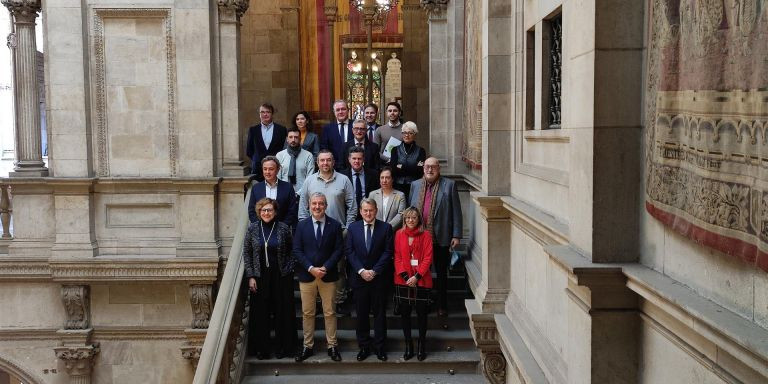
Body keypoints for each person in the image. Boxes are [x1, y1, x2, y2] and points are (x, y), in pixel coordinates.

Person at [297, 150, 357, 313]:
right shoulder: (309, 181)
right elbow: (302, 207)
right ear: (317, 163)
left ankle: (339, 300)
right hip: (314, 233)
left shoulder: (344, 180)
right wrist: (305, 229)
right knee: (315, 266)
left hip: (338, 233)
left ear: (333, 162)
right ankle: (317, 301)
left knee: (339, 267)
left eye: (328, 160)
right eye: (322, 160)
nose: (325, 163)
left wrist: (347, 228)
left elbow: (352, 206)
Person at [293, 192, 344, 362]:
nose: (317, 207)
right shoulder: (301, 225)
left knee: (329, 312)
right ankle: (308, 346)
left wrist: (325, 267)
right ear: (309, 205)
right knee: (308, 313)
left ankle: (332, 346)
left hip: (328, 276)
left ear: (326, 206)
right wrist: (310, 268)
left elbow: (338, 250)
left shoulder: (335, 225)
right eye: (314, 203)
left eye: (320, 203)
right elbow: (297, 250)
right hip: (307, 276)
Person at [243, 198, 297, 360]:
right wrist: (251, 275)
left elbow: (293, 251)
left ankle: (284, 348)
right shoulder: (252, 229)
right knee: (261, 314)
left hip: (280, 276)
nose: (266, 213)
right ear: (259, 212)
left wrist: (288, 269)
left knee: (283, 312)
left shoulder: (283, 228)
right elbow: (247, 253)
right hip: (259, 277)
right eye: (263, 210)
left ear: (275, 212)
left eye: (270, 210)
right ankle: (262, 349)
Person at [408, 157, 462, 317]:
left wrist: (457, 235)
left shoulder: (449, 185)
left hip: (442, 237)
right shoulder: (415, 185)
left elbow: (456, 211)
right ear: (423, 168)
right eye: (427, 167)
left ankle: (442, 305)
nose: (429, 170)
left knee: (441, 273)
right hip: (418, 237)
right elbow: (410, 210)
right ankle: (423, 303)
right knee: (419, 272)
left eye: (433, 167)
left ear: (439, 168)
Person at [345, 198, 394, 361]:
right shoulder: (353, 228)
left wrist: (374, 271)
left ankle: (380, 347)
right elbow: (350, 252)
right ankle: (364, 347)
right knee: (361, 314)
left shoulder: (386, 228)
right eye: (365, 210)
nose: (368, 213)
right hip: (359, 279)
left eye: (371, 210)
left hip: (378, 278)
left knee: (379, 314)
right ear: (360, 211)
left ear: (376, 210)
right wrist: (361, 271)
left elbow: (388, 252)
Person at [393, 207, 433, 361]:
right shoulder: (398, 234)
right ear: (404, 220)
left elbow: (428, 258)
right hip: (402, 281)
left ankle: (421, 345)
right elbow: (397, 257)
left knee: (422, 315)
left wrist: (416, 276)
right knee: (405, 315)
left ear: (418, 220)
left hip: (421, 281)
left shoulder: (426, 235)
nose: (410, 220)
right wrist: (404, 276)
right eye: (408, 218)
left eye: (414, 218)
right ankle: (408, 345)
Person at [247, 156, 297, 227]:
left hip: (282, 231)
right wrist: (261, 227)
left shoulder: (288, 187)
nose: (267, 172)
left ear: (278, 169)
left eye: (271, 169)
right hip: (261, 231)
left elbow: (292, 211)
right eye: (265, 169)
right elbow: (252, 211)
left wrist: (282, 227)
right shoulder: (256, 188)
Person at [246, 103, 288, 180]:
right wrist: (257, 159)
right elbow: (249, 151)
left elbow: (284, 149)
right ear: (259, 114)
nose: (265, 114)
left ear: (272, 114)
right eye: (262, 112)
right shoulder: (253, 130)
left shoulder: (281, 130)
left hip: (276, 169)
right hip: (258, 170)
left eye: (268, 112)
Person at [389, 121, 426, 199]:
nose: (406, 135)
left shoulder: (421, 151)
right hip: (397, 186)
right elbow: (394, 169)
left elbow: (420, 170)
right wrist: (413, 166)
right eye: (404, 132)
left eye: (410, 133)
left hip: (415, 186)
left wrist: (401, 166)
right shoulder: (395, 150)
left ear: (415, 134)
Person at [341, 146, 380, 219]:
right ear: (349, 159)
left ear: (363, 159)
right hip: (348, 213)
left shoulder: (373, 174)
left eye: (359, 158)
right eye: (354, 158)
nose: (356, 161)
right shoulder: (342, 176)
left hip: (368, 213)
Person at [277, 127, 315, 194]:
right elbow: (277, 178)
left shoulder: (308, 156)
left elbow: (310, 178)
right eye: (290, 137)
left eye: (296, 137)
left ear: (300, 139)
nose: (293, 140)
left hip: (303, 194)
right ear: (287, 139)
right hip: (283, 193)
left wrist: (299, 194)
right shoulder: (280, 155)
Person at [319, 99, 354, 171]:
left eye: (343, 109)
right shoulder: (327, 128)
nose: (340, 112)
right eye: (338, 110)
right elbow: (324, 148)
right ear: (334, 112)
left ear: (348, 110)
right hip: (334, 169)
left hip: (354, 167)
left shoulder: (356, 126)